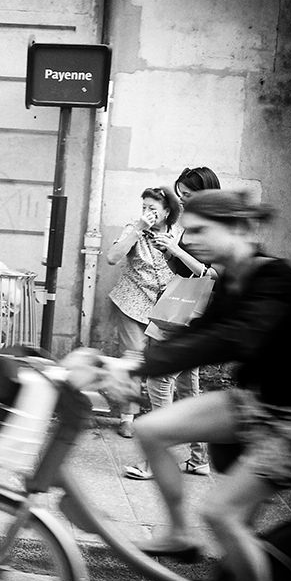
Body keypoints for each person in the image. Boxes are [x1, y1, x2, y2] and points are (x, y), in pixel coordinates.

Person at [123, 189, 291, 581]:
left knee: (223, 514)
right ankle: (180, 534)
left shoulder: (279, 281)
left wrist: (146, 363)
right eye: (189, 229)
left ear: (240, 230)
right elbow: (205, 335)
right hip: (256, 401)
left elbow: (236, 337)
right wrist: (134, 363)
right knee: (152, 429)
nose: (190, 238)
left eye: (201, 230)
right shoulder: (230, 280)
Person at [124, 167, 221, 479]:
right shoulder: (190, 225)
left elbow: (213, 275)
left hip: (192, 313)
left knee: (159, 379)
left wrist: (177, 248)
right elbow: (183, 267)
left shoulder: (216, 227)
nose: (182, 202)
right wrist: (168, 251)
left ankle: (156, 460)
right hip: (180, 307)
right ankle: (198, 458)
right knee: (186, 385)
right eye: (180, 196)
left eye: (188, 197)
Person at [106, 186, 182, 439]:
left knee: (161, 363)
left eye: (153, 209)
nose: (147, 212)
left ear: (167, 211)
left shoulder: (178, 234)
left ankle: (161, 418)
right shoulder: (134, 228)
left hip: (166, 308)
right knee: (134, 359)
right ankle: (128, 417)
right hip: (132, 301)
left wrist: (172, 248)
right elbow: (112, 257)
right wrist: (138, 228)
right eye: (144, 207)